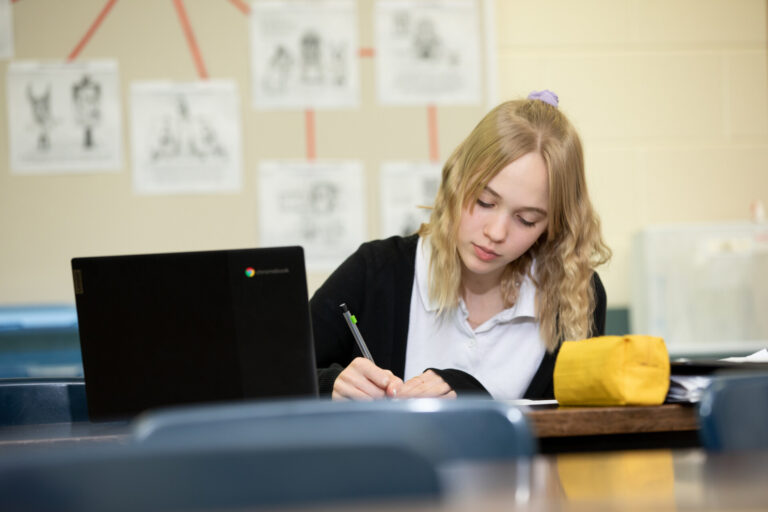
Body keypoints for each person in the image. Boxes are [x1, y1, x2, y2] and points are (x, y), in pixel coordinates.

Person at [310, 90, 611, 400]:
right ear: (457, 178)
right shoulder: (376, 271)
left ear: (553, 226)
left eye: (527, 220)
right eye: (484, 201)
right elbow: (266, 374)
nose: (496, 232)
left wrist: (470, 397)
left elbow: (580, 425)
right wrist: (329, 385)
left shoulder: (575, 293)